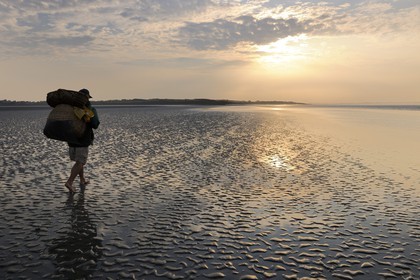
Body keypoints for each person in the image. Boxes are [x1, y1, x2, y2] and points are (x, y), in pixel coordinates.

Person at [65, 88, 100, 193]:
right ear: (87, 98)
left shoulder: (71, 108)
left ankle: (82, 180)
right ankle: (69, 182)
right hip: (82, 139)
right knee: (80, 162)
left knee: (79, 161)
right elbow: (95, 124)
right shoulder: (90, 109)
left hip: (71, 139)